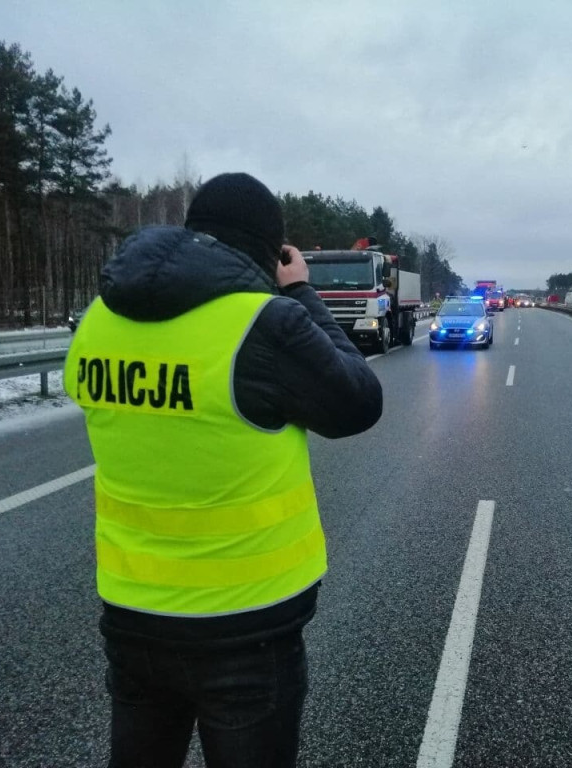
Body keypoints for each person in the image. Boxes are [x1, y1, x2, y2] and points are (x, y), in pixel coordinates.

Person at [63, 172, 383, 767]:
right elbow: (358, 402)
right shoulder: (265, 324)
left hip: (133, 614)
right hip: (246, 626)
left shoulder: (98, 321)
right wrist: (302, 294)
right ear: (270, 249)